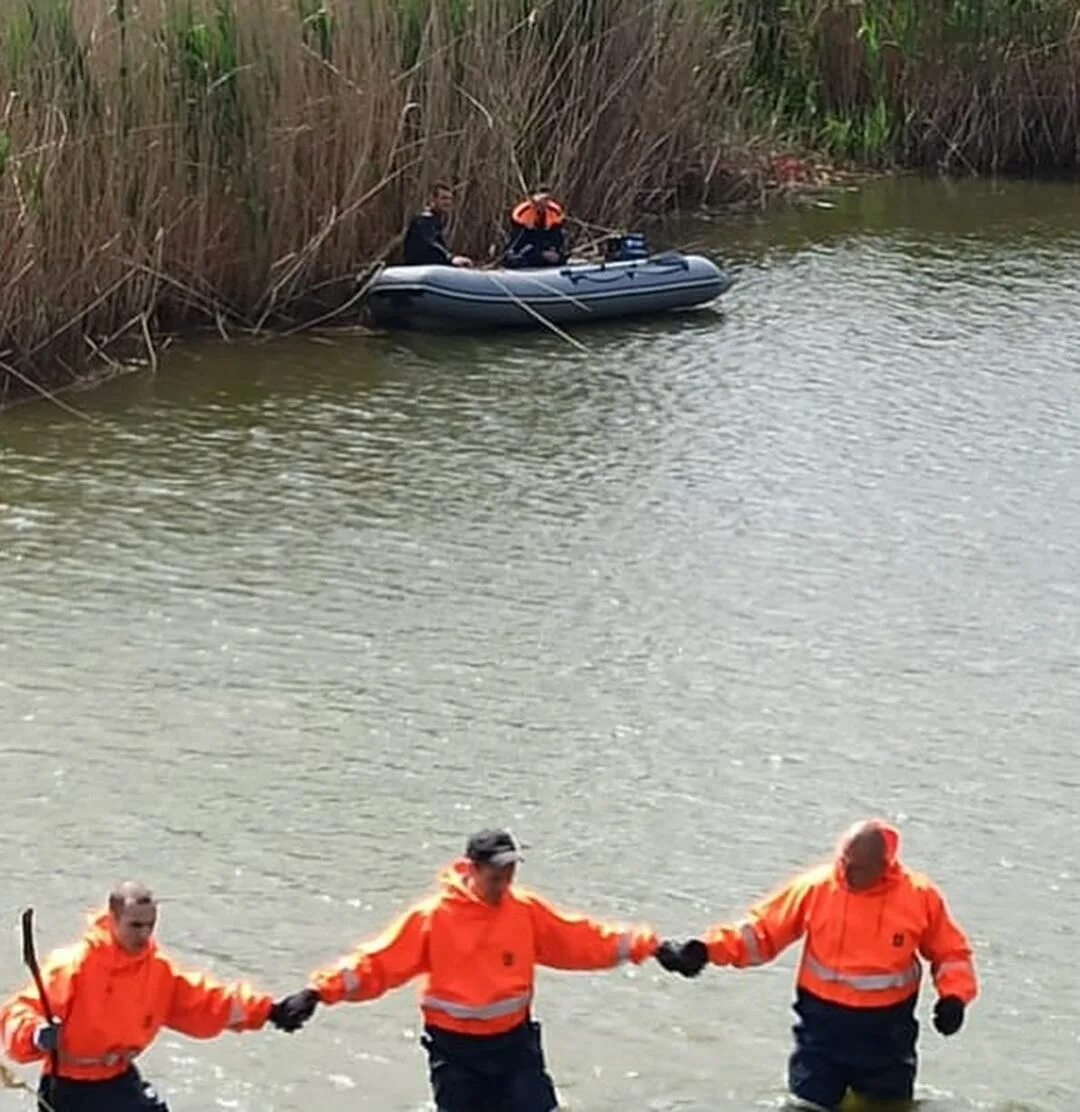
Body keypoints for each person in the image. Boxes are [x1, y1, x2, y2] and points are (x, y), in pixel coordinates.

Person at [272, 828, 658, 1112]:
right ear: (471, 870)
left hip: (515, 1048)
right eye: (495, 877)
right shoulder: (434, 918)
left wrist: (654, 948)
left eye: (510, 876)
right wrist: (317, 993)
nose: (503, 885)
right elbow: (376, 964)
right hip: (456, 1054)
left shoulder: (524, 911)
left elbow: (584, 940)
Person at [655, 820, 978, 1112]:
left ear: (885, 865)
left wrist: (954, 998)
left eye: (859, 869)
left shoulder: (919, 897)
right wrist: (705, 949)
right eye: (844, 863)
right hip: (822, 1029)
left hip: (886, 1035)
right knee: (807, 1106)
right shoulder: (817, 888)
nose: (848, 874)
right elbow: (762, 933)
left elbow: (951, 953)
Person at [0, 882, 311, 1112]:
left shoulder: (156, 970)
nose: (144, 934)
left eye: (150, 925)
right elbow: (19, 1013)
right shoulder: (74, 966)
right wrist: (35, 1035)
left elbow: (207, 1002)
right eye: (135, 925)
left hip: (119, 1078)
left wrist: (269, 1011)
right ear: (112, 920)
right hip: (70, 1088)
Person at [402, 182, 472, 267]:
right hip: (420, 268)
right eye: (444, 198)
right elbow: (431, 243)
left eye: (450, 199)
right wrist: (450, 258)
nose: (448, 202)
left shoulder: (435, 221)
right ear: (433, 200)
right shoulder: (423, 221)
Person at [503, 186, 568, 269]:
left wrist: (554, 251)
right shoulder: (522, 212)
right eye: (540, 200)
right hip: (528, 243)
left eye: (546, 199)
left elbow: (556, 234)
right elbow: (519, 236)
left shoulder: (555, 211)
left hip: (546, 241)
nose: (542, 204)